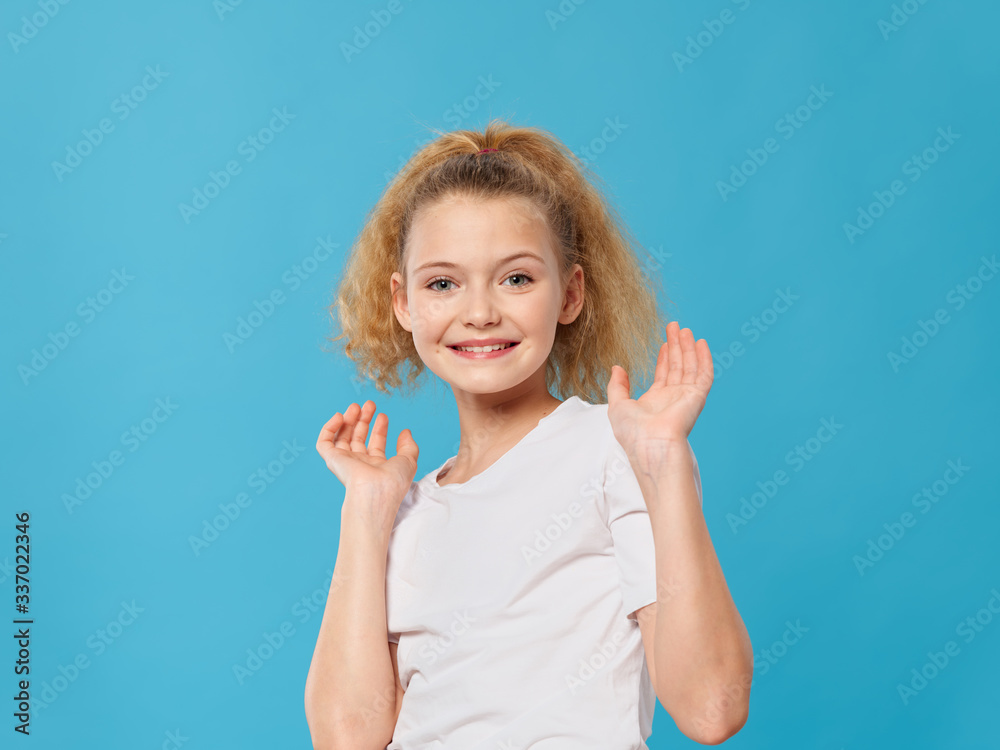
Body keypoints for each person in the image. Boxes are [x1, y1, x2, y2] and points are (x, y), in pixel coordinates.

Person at [304, 118, 752, 749]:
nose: (480, 311)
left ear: (569, 294)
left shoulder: (615, 453)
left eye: (516, 277)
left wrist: (663, 464)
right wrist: (367, 513)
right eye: (442, 283)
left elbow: (712, 708)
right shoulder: (405, 509)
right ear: (403, 304)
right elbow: (346, 739)